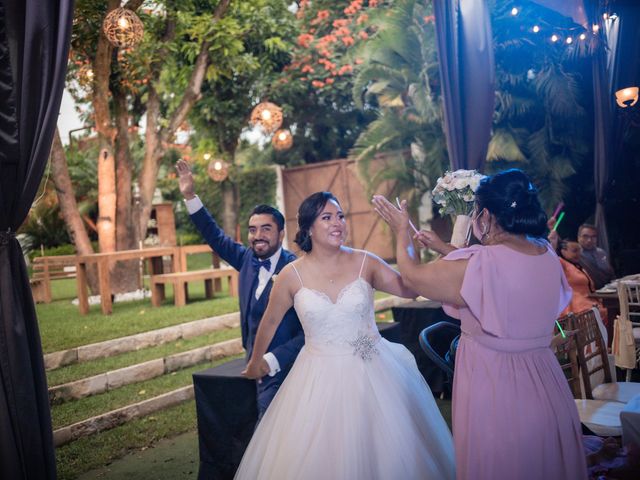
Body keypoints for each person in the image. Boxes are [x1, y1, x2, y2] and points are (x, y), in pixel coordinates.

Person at [373, 169, 587, 480]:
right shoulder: (546, 253)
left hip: (494, 384)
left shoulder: (481, 264)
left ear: (484, 215)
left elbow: (411, 277)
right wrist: (446, 250)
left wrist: (401, 229)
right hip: (545, 381)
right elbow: (495, 271)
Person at [236, 192, 455, 480]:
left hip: (376, 374)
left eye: (340, 216)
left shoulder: (367, 262)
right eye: (327, 217)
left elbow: (411, 288)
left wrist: (403, 234)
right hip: (316, 377)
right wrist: (255, 362)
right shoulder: (291, 275)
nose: (337, 223)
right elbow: (270, 320)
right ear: (308, 228)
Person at [175, 159, 304, 415]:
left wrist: (272, 360)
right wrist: (190, 195)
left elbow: (309, 329)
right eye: (253, 230)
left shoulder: (297, 269)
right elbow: (213, 234)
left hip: (289, 367)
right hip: (254, 365)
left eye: (266, 229)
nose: (258, 236)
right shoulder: (245, 259)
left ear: (281, 234)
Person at [557, 238, 607, 324]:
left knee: (611, 310)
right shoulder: (561, 264)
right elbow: (552, 256)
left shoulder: (578, 266)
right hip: (576, 306)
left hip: (590, 302)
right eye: (575, 251)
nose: (578, 254)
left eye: (579, 250)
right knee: (606, 313)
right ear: (563, 251)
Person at [577, 224, 615, 290]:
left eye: (593, 237)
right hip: (587, 293)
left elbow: (610, 273)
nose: (589, 240)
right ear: (578, 237)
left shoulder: (601, 253)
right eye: (585, 236)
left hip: (608, 291)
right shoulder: (574, 255)